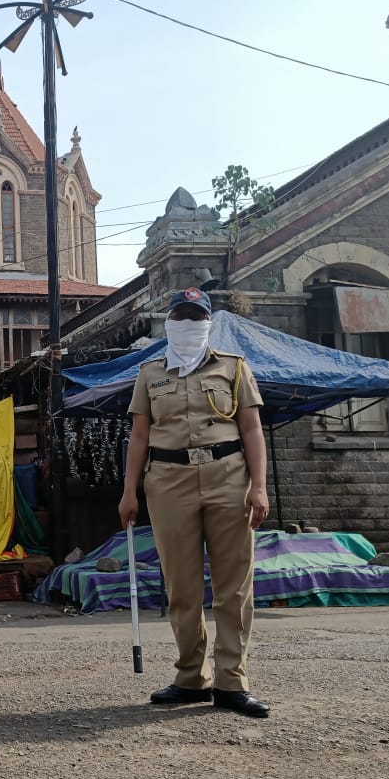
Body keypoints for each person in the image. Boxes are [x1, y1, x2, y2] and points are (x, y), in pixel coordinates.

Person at [118, 288, 271, 718]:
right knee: (181, 587)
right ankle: (191, 678)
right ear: (169, 323)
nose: (188, 325)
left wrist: (259, 487)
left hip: (228, 478)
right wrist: (128, 492)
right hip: (168, 482)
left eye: (196, 317)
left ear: (208, 322)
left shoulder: (233, 367)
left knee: (233, 585)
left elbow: (252, 429)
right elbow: (139, 436)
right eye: (180, 317)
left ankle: (231, 682)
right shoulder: (150, 373)